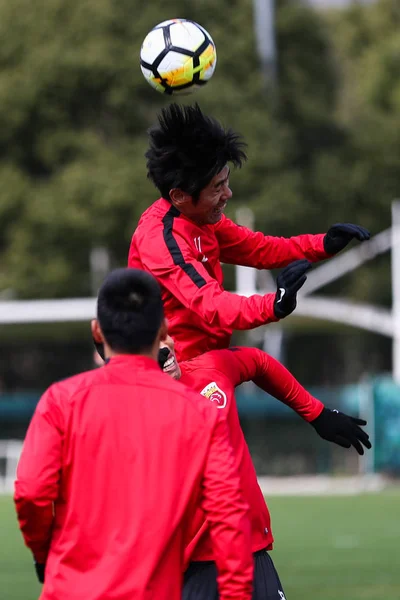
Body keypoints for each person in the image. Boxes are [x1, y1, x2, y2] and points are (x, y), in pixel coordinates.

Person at [14, 268, 254, 600]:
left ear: (97, 331)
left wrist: (43, 552)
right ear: (163, 329)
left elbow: (30, 492)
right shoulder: (200, 413)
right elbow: (230, 514)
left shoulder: (61, 401)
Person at [128, 102, 371, 361]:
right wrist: (274, 305)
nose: (228, 194)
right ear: (179, 195)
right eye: (217, 187)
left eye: (227, 180)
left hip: (206, 364)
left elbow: (259, 249)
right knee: (260, 365)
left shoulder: (200, 218)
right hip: (171, 376)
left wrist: (324, 244)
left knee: (261, 366)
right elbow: (211, 303)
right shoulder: (160, 241)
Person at [156, 336, 371, 600]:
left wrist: (316, 413)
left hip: (250, 551)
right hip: (186, 569)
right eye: (149, 341)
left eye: (163, 335)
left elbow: (258, 361)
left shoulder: (210, 369)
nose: (163, 348)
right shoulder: (125, 413)